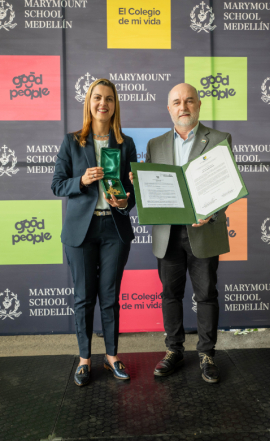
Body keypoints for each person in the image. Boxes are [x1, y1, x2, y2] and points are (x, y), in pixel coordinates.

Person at [130, 83, 231, 383]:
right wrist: (139, 183)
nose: (183, 107)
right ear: (169, 108)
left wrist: (211, 211)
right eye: (176, 102)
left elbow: (227, 186)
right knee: (170, 294)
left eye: (189, 101)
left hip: (204, 232)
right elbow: (152, 190)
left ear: (199, 105)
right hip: (167, 234)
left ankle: (206, 354)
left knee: (206, 295)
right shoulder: (155, 145)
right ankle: (173, 351)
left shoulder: (219, 139)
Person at [52, 78, 137, 386]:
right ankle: (85, 358)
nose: (103, 103)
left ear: (115, 105)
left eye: (109, 99)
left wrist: (127, 198)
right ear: (89, 103)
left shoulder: (125, 143)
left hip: (114, 228)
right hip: (81, 231)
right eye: (98, 98)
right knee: (84, 297)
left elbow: (133, 190)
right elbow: (57, 184)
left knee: (110, 296)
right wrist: (82, 181)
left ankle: (112, 356)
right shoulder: (72, 141)